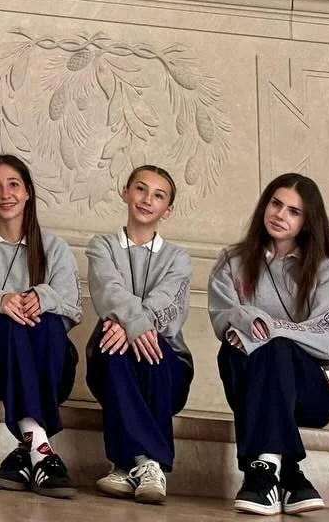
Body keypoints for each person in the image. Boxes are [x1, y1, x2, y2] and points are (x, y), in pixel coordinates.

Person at [210, 173, 329, 516]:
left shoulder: (325, 272)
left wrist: (269, 328)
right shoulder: (232, 260)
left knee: (277, 348)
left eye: (293, 211)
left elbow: (325, 337)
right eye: (276, 204)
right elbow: (223, 317)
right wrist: (247, 322)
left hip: (311, 392)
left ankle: (261, 473)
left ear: (307, 222)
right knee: (233, 350)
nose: (280, 215)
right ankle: (287, 474)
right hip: (252, 382)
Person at [0, 153, 83, 497]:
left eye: (13, 184)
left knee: (46, 322)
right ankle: (43, 450)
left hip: (50, 367)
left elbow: (73, 309)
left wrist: (42, 297)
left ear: (28, 191)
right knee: (9, 323)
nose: (5, 194)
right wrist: (0, 301)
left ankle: (25, 451)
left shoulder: (54, 248)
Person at [87, 164, 193, 505]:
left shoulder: (178, 259)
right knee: (113, 343)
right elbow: (108, 290)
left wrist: (129, 324)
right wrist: (129, 324)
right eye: (141, 189)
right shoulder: (102, 246)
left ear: (168, 209)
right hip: (110, 363)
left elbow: (168, 308)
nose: (147, 200)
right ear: (125, 193)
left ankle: (123, 466)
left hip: (167, 370)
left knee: (152, 343)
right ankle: (149, 463)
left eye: (158, 196)